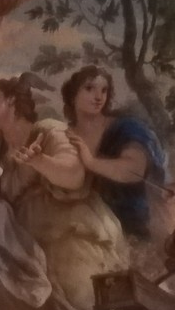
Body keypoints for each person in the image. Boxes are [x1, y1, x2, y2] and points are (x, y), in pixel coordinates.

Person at [0, 72, 127, 310]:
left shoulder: (47, 130)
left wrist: (40, 161)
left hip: (66, 231)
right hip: (25, 247)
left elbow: (74, 175)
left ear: (12, 101)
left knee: (82, 296)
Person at [59, 65, 166, 242]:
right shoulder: (63, 135)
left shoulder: (125, 128)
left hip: (129, 228)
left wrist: (91, 162)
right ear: (72, 95)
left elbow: (135, 169)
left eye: (104, 90)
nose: (98, 97)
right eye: (89, 88)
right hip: (81, 228)